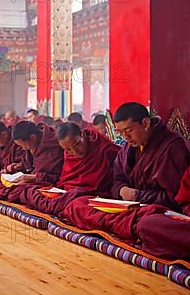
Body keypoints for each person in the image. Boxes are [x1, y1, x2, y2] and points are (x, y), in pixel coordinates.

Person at [62, 102, 189, 242]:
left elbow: (175, 197)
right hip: (128, 208)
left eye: (128, 130)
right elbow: (116, 179)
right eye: (120, 133)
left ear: (145, 123)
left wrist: (138, 196)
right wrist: (121, 190)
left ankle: (129, 230)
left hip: (155, 212)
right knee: (78, 205)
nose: (125, 138)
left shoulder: (172, 146)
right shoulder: (128, 148)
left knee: (147, 226)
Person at [15, 122, 119, 215]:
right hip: (69, 195)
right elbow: (64, 180)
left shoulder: (102, 147)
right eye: (68, 149)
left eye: (77, 144)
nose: (75, 152)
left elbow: (118, 176)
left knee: (78, 207)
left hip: (92, 197)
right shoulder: (68, 155)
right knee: (29, 191)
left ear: (82, 135)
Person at [0, 120, 64, 200]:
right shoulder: (33, 143)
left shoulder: (51, 145)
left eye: (23, 145)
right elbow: (28, 164)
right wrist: (19, 166)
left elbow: (55, 177)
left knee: (21, 191)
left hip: (46, 184)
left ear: (33, 137)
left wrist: (33, 177)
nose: (23, 148)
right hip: (31, 178)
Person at [135, 167, 190, 260]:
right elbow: (185, 201)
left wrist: (138, 195)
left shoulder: (172, 154)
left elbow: (171, 196)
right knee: (148, 223)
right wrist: (120, 189)